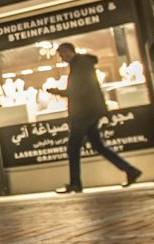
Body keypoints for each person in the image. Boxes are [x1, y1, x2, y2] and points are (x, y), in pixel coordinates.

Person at [53, 43, 143, 194]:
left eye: (62, 55)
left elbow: (78, 91)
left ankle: (75, 183)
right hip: (90, 111)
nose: (62, 59)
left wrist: (59, 92)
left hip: (84, 113)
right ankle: (130, 170)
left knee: (73, 147)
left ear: (67, 52)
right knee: (97, 145)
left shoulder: (79, 65)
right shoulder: (84, 64)